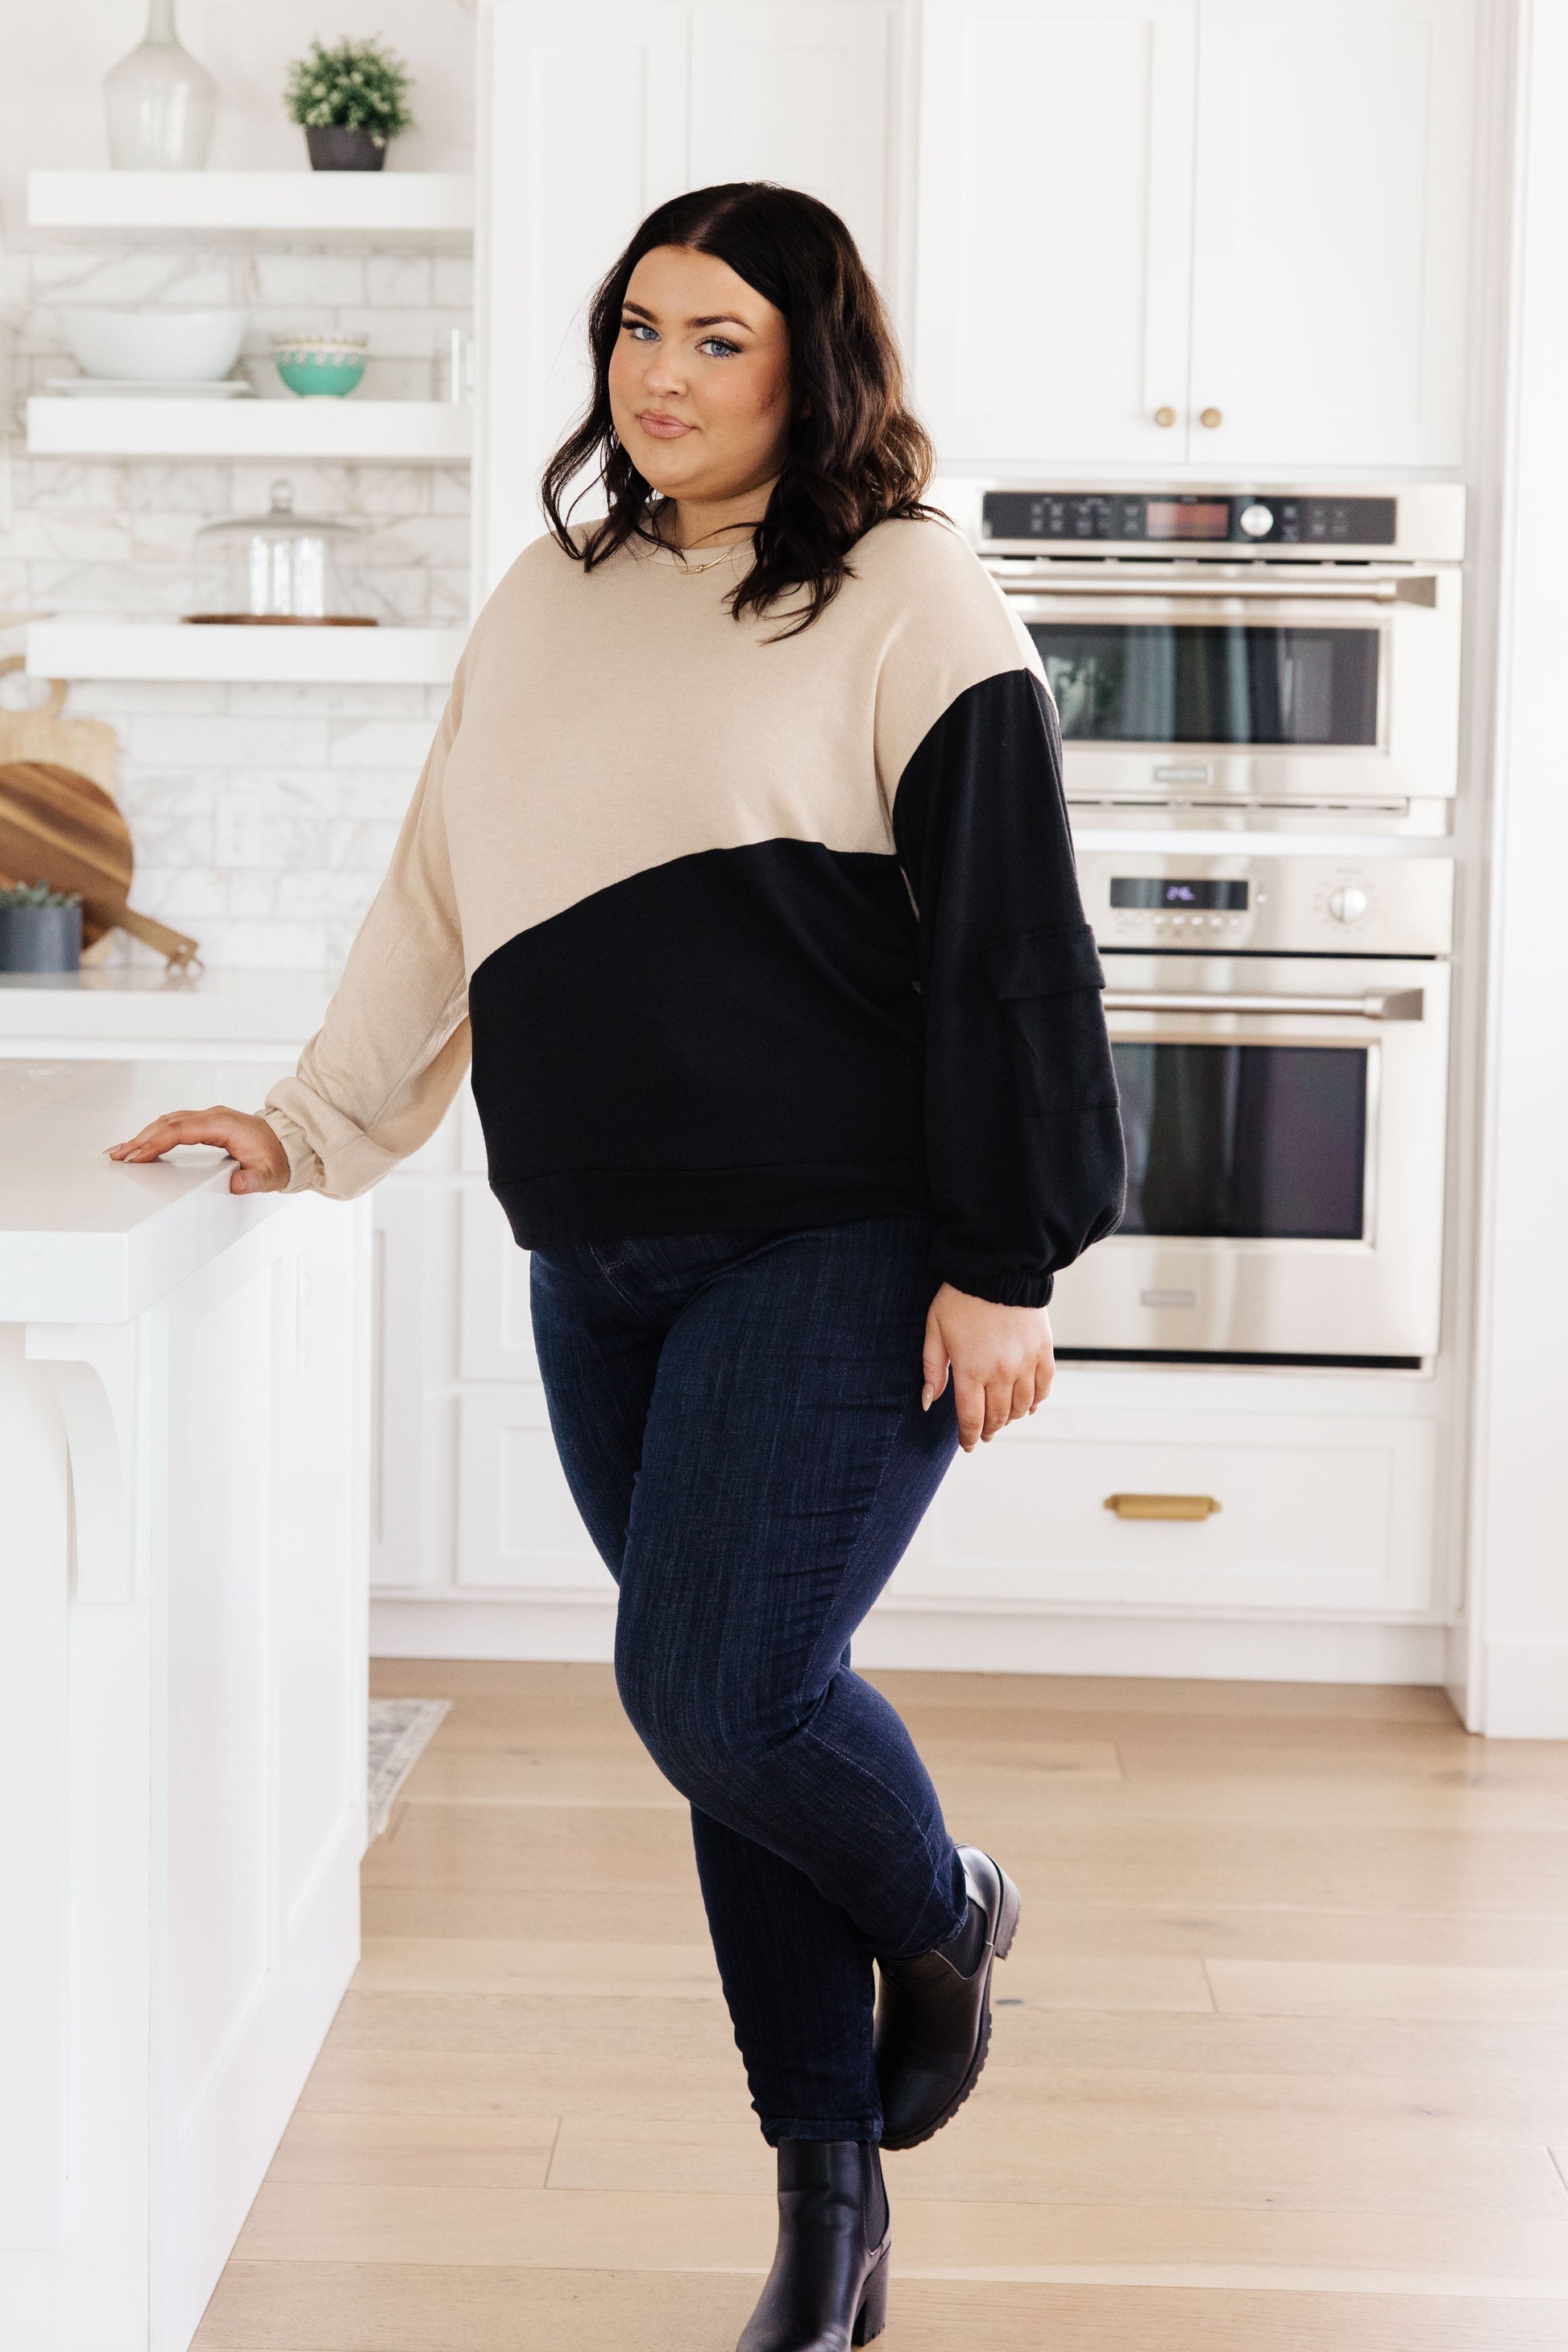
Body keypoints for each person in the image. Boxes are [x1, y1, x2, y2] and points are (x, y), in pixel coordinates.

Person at [110, 182, 1124, 2352]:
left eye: (717, 338)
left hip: (841, 1244)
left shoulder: (902, 587)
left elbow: (1019, 947)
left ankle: (938, 1911)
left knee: (717, 1692)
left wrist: (1005, 1261)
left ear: (812, 361)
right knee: (723, 1720)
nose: (658, 375)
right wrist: (302, 1119)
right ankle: (827, 2222)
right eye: (636, 329)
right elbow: (430, 892)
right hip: (597, 1253)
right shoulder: (551, 592)